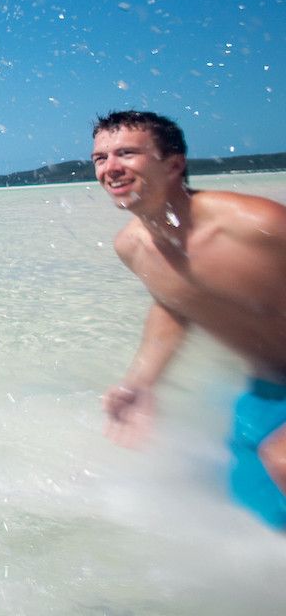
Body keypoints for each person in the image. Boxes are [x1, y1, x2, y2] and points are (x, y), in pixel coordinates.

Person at [92, 109, 286, 528]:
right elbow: (177, 301)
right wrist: (141, 381)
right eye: (100, 158)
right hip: (267, 393)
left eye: (126, 153)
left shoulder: (257, 226)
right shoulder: (133, 247)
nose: (110, 168)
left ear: (174, 164)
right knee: (257, 525)